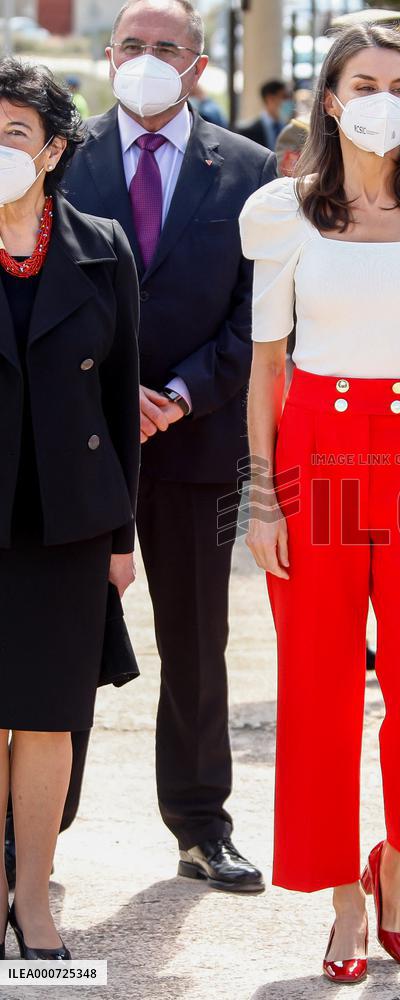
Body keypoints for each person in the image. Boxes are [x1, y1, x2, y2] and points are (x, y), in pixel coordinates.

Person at [240, 23, 400, 981]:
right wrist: (262, 499)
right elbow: (268, 362)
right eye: (364, 80)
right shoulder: (284, 210)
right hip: (315, 449)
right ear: (333, 98)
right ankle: (343, 900)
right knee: (318, 682)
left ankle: (395, 862)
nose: (384, 95)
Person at [61, 0, 276, 893]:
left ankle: (198, 824)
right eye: (134, 46)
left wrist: (180, 395)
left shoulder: (253, 171)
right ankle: (32, 825)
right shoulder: (59, 159)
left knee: (197, 641)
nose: (149, 59)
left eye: (167, 48)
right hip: (76, 439)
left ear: (196, 65)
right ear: (110, 56)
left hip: (194, 441)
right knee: (59, 635)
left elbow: (256, 315)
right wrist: (111, 394)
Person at [0, 58, 140, 959]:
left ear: (52, 150)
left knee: (50, 714)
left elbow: (120, 404)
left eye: (14, 134)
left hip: (66, 518)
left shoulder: (103, 248)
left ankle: (34, 900)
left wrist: (121, 538)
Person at [236, 79, 292, 151]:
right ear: (270, 98)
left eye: (290, 97)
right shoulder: (247, 133)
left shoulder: (290, 130)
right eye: (284, 97)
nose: (289, 101)